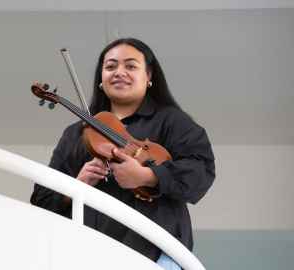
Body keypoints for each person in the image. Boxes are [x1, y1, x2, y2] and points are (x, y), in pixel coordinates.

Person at [30, 37, 215, 269]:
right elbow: (41, 199)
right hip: (88, 255)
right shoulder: (76, 133)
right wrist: (78, 184)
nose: (119, 72)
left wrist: (148, 176)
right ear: (101, 80)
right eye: (110, 66)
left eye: (130, 66)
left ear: (148, 77)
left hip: (155, 254)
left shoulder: (172, 121)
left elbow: (201, 172)